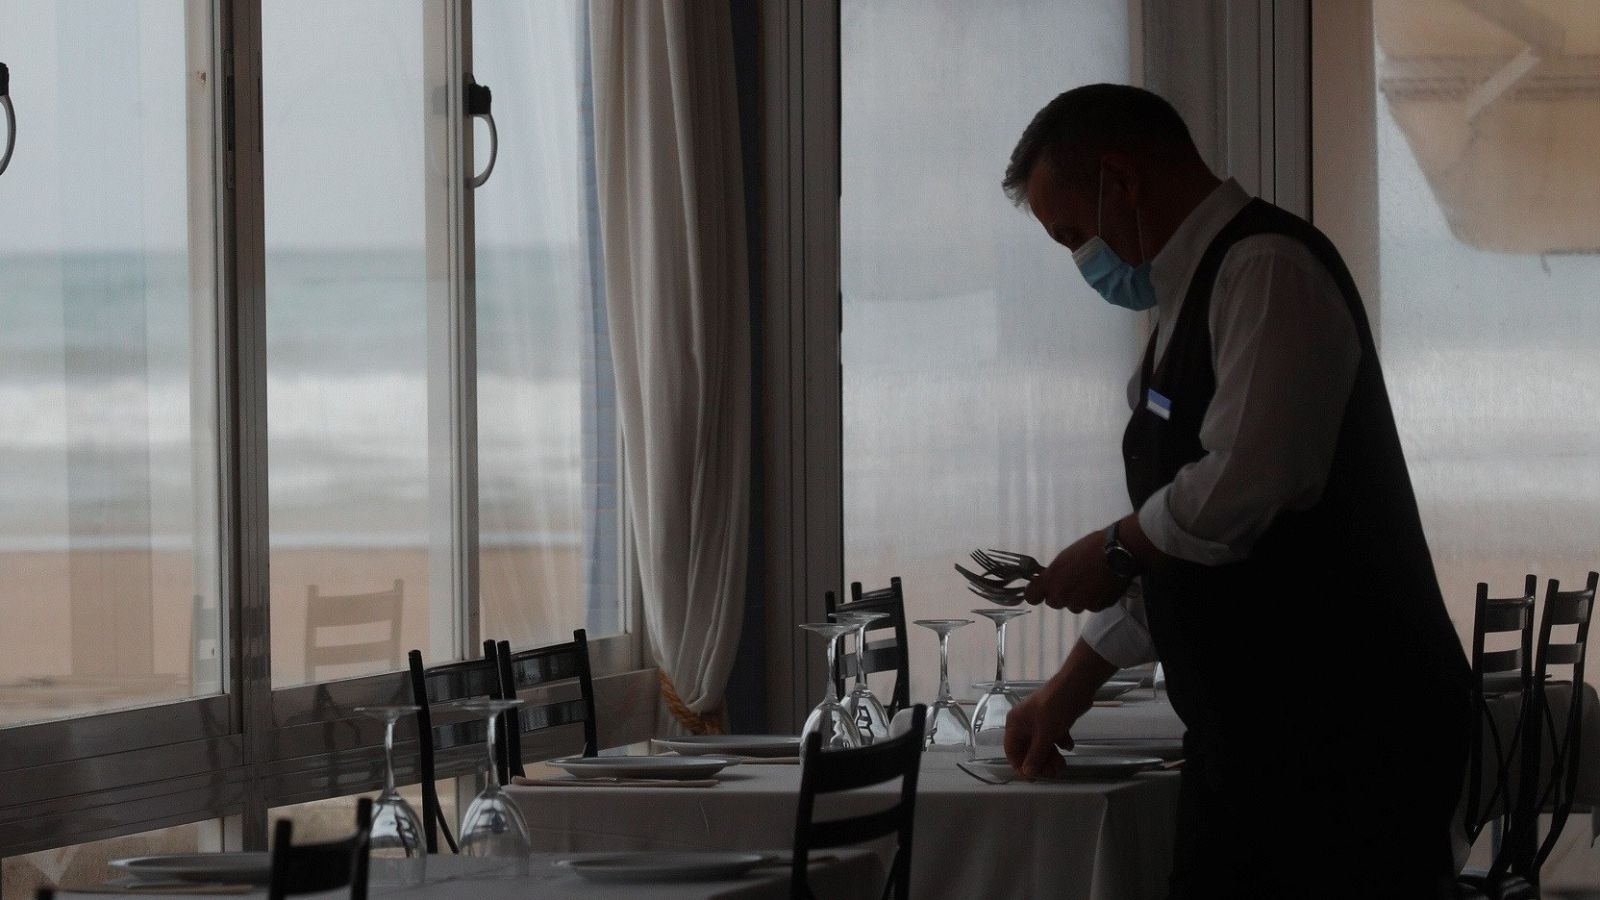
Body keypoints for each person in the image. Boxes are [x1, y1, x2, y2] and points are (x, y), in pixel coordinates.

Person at [997, 84, 1472, 899]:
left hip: (1346, 744)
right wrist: (1065, 691)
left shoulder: (1266, 269)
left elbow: (1247, 483)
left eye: (1074, 233)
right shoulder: (1182, 310)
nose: (1083, 261)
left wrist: (1114, 546)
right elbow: (1189, 552)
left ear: (1124, 180)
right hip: (1256, 743)